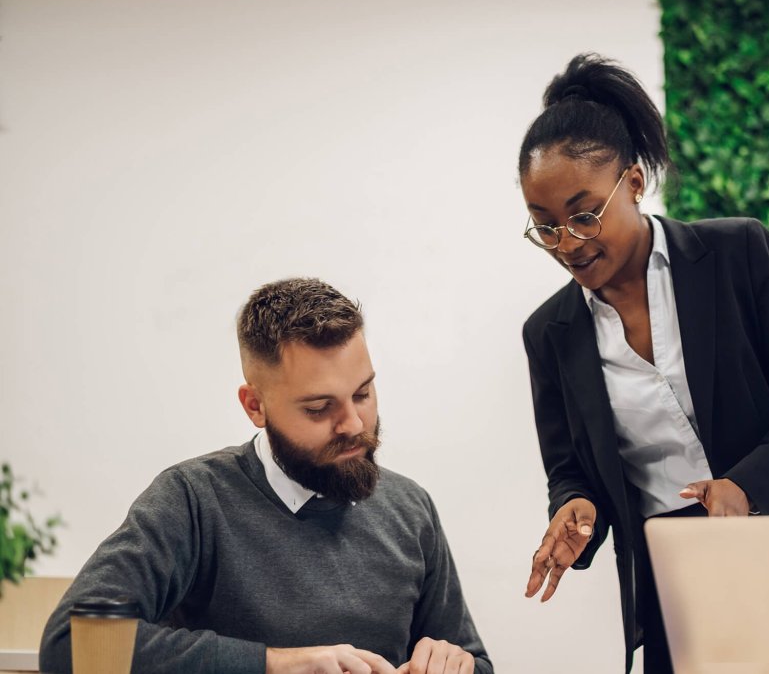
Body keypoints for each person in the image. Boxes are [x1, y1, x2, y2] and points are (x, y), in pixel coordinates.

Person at [518, 53, 769, 673]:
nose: (568, 243)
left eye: (584, 215)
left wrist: (747, 488)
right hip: (681, 588)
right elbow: (571, 469)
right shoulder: (548, 334)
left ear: (634, 182)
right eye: (545, 227)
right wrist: (576, 508)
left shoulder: (738, 253)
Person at [40, 277, 492, 674]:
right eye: (319, 408)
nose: (354, 424)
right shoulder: (193, 500)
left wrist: (455, 663)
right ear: (255, 406)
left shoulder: (410, 507)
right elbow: (73, 643)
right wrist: (274, 664)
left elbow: (474, 661)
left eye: (363, 393)